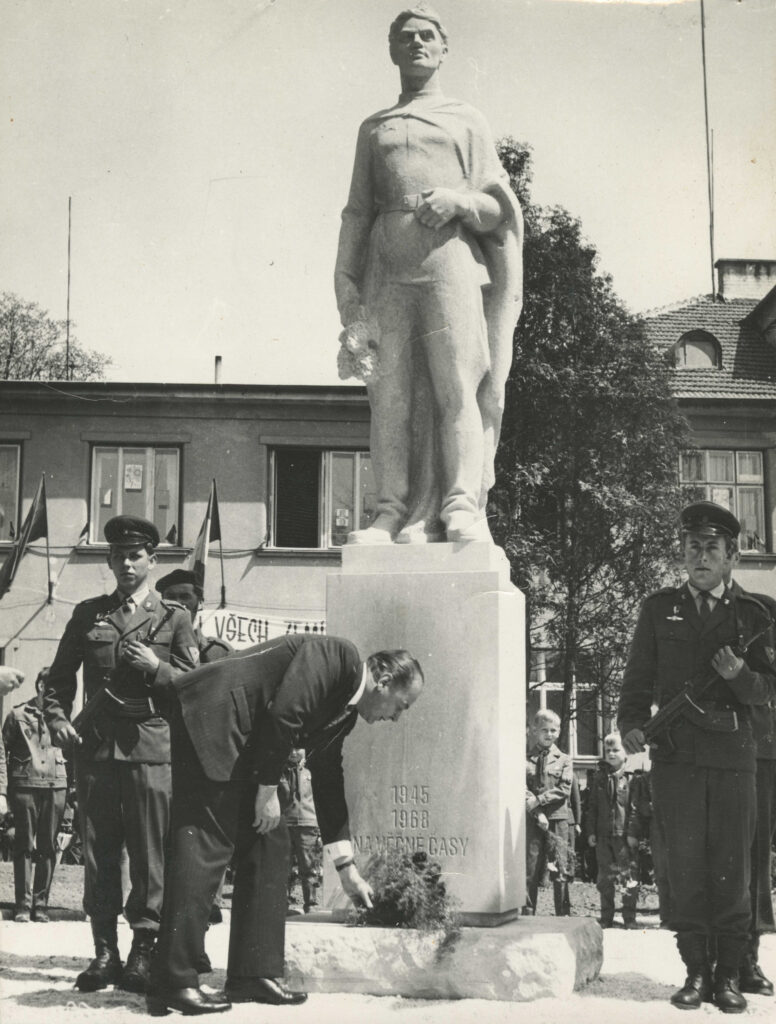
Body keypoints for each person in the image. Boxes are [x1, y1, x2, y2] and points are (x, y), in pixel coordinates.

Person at [148, 636, 424, 1017]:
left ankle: (253, 973)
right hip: (212, 720)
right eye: (401, 705)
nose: (396, 717)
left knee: (270, 841)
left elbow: (327, 780)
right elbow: (285, 715)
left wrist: (346, 869)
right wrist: (266, 791)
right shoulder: (338, 658)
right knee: (205, 849)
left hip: (242, 741)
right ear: (384, 680)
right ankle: (172, 982)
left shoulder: (344, 713)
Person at [335, 5, 523, 545]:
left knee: (457, 386)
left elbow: (498, 210)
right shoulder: (375, 128)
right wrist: (346, 285)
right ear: (392, 50)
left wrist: (459, 200)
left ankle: (461, 503)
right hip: (387, 272)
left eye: (427, 36)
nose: (417, 44)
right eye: (406, 37)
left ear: (444, 48)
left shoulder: (466, 119)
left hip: (449, 264)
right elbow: (356, 212)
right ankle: (390, 509)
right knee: (389, 395)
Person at [618, 500, 776, 1013]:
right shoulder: (657, 607)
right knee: (683, 867)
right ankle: (694, 973)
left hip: (734, 757)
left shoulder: (755, 616)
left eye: (712, 549)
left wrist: (739, 677)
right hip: (676, 757)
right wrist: (631, 726)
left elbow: (768, 692)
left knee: (731, 866)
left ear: (731, 557)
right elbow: (637, 683)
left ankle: (729, 975)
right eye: (692, 548)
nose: (700, 557)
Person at [43, 515, 199, 994]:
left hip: (151, 749)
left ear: (152, 561)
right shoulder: (88, 614)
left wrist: (157, 667)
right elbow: (58, 679)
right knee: (99, 853)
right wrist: (57, 719)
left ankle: (143, 952)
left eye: (136, 555)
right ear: (109, 561)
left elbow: (194, 687)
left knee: (150, 856)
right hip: (96, 753)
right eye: (119, 556)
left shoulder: (174, 617)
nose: (127, 563)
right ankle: (105, 951)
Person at [725, 557, 776, 997]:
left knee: (754, 858)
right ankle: (709, 964)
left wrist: (742, 679)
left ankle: (748, 958)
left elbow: (770, 685)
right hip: (710, 755)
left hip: (759, 753)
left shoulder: (763, 611)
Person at [3, 668, 68, 922]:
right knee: (24, 846)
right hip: (25, 785)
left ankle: (41, 905)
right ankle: (22, 905)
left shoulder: (65, 718)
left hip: (56, 786)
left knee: (48, 848)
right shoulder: (17, 715)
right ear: (41, 686)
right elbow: (3, 751)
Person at [585, 732, 638, 929]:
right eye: (608, 751)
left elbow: (634, 809)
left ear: (625, 753)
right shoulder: (599, 778)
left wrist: (633, 833)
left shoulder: (632, 778)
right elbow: (592, 808)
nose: (611, 754)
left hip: (624, 837)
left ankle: (629, 917)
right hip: (603, 835)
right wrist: (591, 832)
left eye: (616, 750)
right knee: (605, 878)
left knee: (627, 876)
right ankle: (607, 916)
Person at [524, 709, 573, 916]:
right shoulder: (525, 758)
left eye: (554, 730)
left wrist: (539, 800)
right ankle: (528, 914)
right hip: (533, 821)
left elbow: (564, 789)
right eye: (544, 730)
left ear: (559, 731)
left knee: (559, 869)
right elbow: (521, 787)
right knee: (531, 869)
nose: (549, 734)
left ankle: (562, 914)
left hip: (557, 820)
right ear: (534, 730)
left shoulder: (564, 760)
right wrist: (537, 812)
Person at [155, 568, 233, 664]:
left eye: (185, 597)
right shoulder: (152, 648)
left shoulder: (219, 651)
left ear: (199, 601)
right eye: (171, 597)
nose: (178, 603)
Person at [280, 749, 322, 915]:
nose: (294, 752)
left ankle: (310, 903)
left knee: (309, 865)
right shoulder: (280, 771)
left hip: (307, 823)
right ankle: (282, 903)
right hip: (285, 822)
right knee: (284, 866)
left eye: (299, 749)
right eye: (291, 749)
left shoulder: (312, 772)